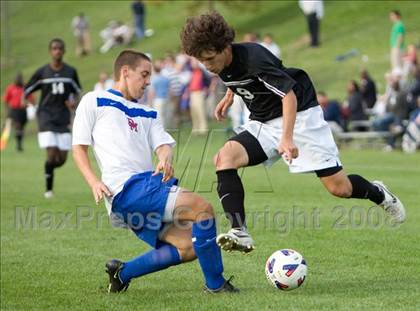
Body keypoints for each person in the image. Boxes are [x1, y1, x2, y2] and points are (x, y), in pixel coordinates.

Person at [180, 12, 406, 253]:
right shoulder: (221, 62)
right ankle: (239, 232)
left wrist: (286, 138)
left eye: (210, 59)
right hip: (264, 123)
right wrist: (229, 95)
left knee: (340, 189)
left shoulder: (253, 58)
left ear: (225, 46)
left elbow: (289, 95)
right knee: (224, 158)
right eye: (202, 61)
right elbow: (237, 78)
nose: (208, 66)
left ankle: (378, 193)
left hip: (300, 116)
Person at [72, 50, 238, 293]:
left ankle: (122, 273)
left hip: (147, 187)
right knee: (202, 208)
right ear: (125, 72)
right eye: (144, 74)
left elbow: (163, 146)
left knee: (188, 247)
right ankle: (216, 284)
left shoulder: (149, 112)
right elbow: (79, 148)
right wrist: (93, 181)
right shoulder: (94, 100)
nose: (148, 81)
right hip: (126, 189)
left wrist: (164, 159)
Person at [24, 38, 81, 199]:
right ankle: (49, 190)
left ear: (64, 51)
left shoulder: (70, 72)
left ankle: (48, 168)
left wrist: (74, 103)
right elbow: (27, 90)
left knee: (61, 159)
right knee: (51, 154)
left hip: (63, 117)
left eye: (60, 48)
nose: (57, 51)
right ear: (50, 52)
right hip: (46, 116)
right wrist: (29, 103)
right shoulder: (42, 72)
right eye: (54, 48)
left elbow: (77, 92)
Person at [3, 73, 35, 151]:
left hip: (23, 111)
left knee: (21, 128)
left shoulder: (25, 88)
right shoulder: (10, 88)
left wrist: (28, 104)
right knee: (17, 126)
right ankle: (14, 145)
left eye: (19, 78)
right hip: (14, 110)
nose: (18, 80)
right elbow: (6, 100)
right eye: (17, 78)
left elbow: (32, 99)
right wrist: (7, 110)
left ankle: (19, 144)